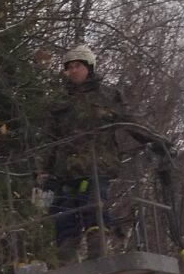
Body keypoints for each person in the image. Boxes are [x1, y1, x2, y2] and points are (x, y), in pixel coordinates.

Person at [39, 44, 165, 258]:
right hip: (65, 170)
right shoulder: (59, 101)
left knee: (93, 206)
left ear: (89, 67)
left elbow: (132, 121)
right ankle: (67, 256)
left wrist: (159, 142)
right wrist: (42, 173)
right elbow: (49, 139)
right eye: (69, 68)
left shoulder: (108, 95)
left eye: (77, 66)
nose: (73, 71)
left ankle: (98, 248)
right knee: (64, 214)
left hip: (97, 165)